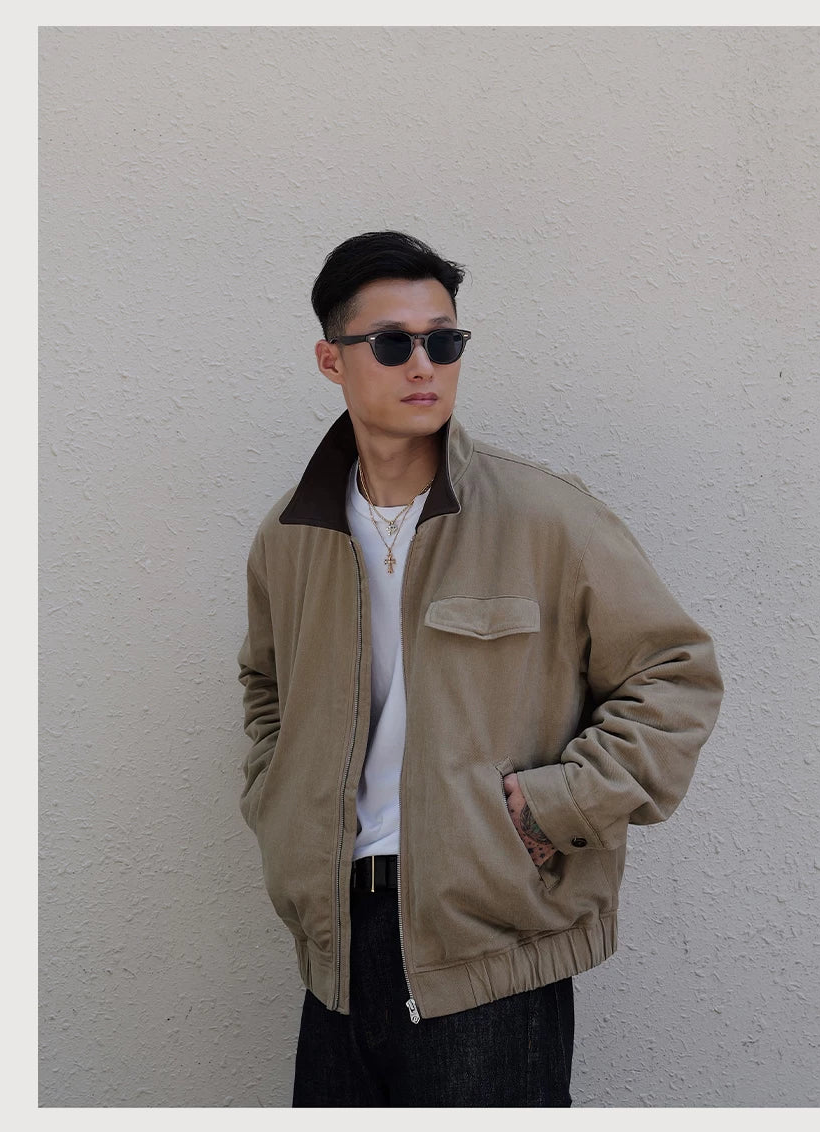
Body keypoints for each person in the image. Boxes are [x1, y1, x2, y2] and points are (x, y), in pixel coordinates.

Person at [237, 230, 724, 1107]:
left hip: (491, 954)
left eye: (445, 340)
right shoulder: (290, 535)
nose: (424, 364)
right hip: (337, 947)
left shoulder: (546, 517)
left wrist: (558, 806)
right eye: (394, 343)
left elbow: (672, 673)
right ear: (331, 359)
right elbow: (266, 688)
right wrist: (279, 799)